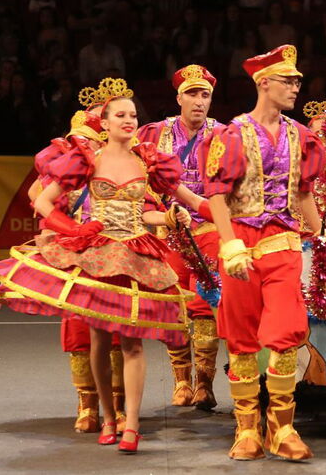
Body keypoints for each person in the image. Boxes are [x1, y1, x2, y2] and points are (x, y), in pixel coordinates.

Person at [0, 79, 208, 454]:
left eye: (133, 115)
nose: (129, 120)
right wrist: (73, 228)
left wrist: (189, 217)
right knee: (99, 341)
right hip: (97, 253)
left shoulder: (148, 160)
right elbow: (42, 201)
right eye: (120, 115)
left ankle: (132, 424)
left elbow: (176, 202)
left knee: (133, 343)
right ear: (104, 123)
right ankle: (108, 416)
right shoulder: (87, 159)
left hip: (136, 254)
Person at [203, 44, 325, 461]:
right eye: (287, 81)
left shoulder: (301, 136)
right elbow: (216, 194)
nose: (295, 87)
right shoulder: (232, 134)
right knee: (241, 337)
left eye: (297, 81)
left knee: (286, 333)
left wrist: (321, 231)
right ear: (264, 83)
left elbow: (304, 192)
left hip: (283, 244)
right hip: (241, 244)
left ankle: (282, 426)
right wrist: (228, 243)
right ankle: (246, 427)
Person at [26, 94, 126, 434]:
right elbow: (39, 197)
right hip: (76, 252)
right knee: (78, 328)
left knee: (118, 329)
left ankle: (118, 404)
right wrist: (58, 230)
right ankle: (87, 403)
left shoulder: (126, 159)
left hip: (116, 252)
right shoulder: (66, 160)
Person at [136, 65, 222, 411]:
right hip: (168, 229)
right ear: (178, 98)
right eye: (192, 94)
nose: (199, 101)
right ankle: (182, 381)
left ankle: (205, 384)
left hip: (209, 228)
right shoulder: (154, 133)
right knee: (172, 306)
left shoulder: (224, 135)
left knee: (203, 305)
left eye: (205, 95)